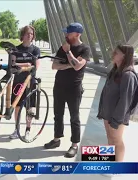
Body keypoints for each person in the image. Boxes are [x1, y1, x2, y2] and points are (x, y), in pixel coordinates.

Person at [44, 22, 90, 158]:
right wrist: (69, 64)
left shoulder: (84, 49)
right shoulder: (62, 48)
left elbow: (77, 67)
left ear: (77, 34)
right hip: (59, 86)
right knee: (58, 114)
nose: (66, 35)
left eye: (68, 33)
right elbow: (54, 66)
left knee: (74, 117)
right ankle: (57, 138)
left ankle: (74, 145)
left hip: (74, 88)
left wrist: (68, 53)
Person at [97, 44, 138, 162]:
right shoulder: (114, 71)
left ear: (124, 56)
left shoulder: (128, 75)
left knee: (117, 141)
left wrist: (116, 120)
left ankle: (117, 167)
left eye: (116, 52)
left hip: (117, 117)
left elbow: (125, 100)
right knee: (110, 138)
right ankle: (111, 163)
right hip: (108, 114)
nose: (113, 53)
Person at [9, 25, 40, 141]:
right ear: (23, 35)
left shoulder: (35, 50)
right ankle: (16, 130)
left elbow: (36, 66)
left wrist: (22, 65)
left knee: (29, 108)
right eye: (27, 33)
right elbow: (12, 64)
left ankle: (27, 130)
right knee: (16, 106)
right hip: (17, 81)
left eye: (31, 34)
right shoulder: (16, 49)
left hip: (30, 82)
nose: (30, 35)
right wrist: (26, 65)